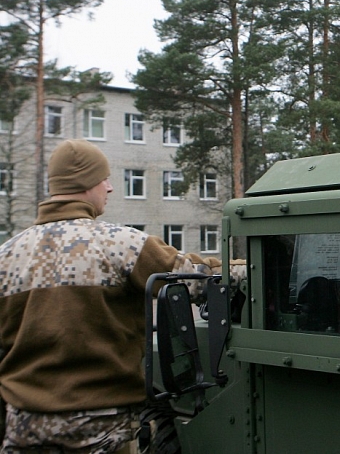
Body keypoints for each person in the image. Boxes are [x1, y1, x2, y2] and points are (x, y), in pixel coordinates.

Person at [0, 139, 226, 453]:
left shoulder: (6, 255)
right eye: (104, 179)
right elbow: (196, 279)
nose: (109, 188)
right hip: (102, 430)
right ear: (86, 183)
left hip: (23, 429)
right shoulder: (120, 244)